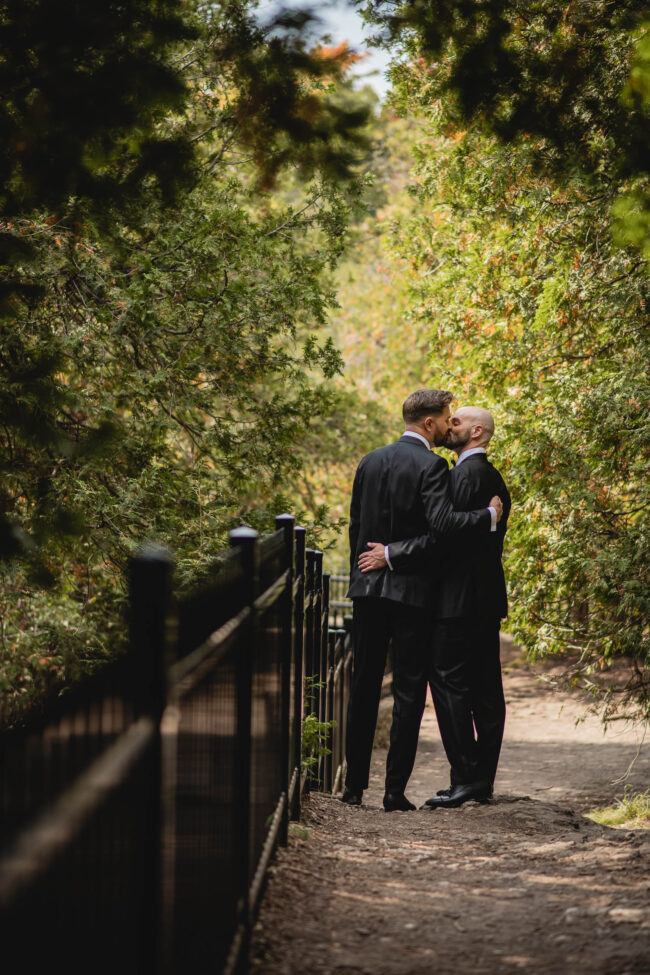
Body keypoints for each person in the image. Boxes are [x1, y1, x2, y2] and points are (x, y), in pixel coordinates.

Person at [343, 389, 503, 811]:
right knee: (409, 692)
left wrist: (365, 568)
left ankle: (353, 787)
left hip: (366, 587)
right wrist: (487, 517)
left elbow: (355, 526)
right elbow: (440, 531)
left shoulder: (369, 461)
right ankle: (394, 792)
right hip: (411, 594)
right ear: (429, 424)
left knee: (362, 685)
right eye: (447, 417)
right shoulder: (432, 466)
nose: (449, 424)